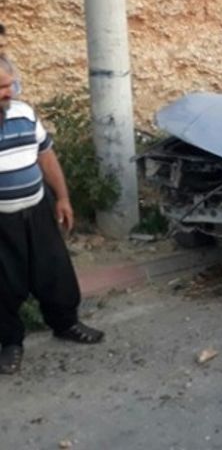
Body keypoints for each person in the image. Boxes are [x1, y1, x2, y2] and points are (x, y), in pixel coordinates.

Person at [0, 58, 105, 375]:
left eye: (10, 85)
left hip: (38, 209)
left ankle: (65, 324)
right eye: (1, 88)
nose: (8, 93)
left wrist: (63, 198)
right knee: (3, 284)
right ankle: (10, 344)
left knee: (54, 270)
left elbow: (46, 156)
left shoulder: (24, 114)